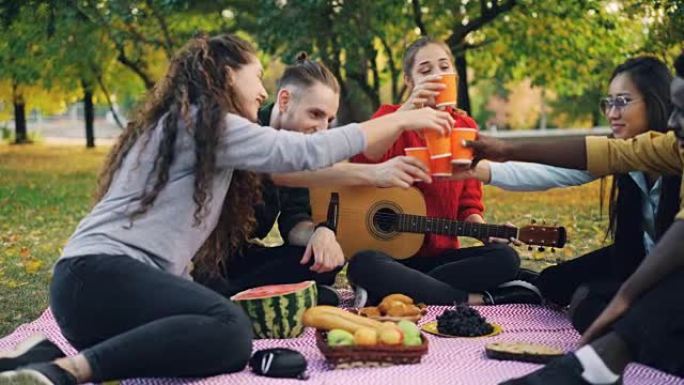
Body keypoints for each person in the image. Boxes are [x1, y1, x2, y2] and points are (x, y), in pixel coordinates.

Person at [0, 34, 454, 385]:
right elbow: (295, 155)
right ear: (224, 73)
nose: (261, 91)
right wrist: (401, 119)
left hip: (97, 300)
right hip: (98, 278)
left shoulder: (193, 127)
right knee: (230, 329)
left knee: (219, 323)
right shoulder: (204, 120)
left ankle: (42, 358)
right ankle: (67, 374)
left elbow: (294, 168)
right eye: (255, 76)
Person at [468, 52, 684, 385]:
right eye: (607, 103)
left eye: (623, 102)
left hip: (668, 281)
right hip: (642, 271)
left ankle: (605, 360)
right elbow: (589, 157)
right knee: (574, 294)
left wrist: (626, 298)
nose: (612, 113)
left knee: (610, 307)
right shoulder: (662, 148)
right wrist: (498, 155)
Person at [193, 54, 432, 306]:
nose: (321, 128)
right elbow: (280, 172)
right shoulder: (248, 129)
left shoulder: (304, 153)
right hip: (208, 263)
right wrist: (376, 165)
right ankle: (248, 299)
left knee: (323, 263)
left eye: (328, 120)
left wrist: (321, 233)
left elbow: (294, 219)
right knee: (316, 290)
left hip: (245, 256)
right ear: (284, 100)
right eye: (315, 114)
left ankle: (284, 296)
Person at [346, 37, 538, 307]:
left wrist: (485, 232)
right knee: (362, 263)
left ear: (455, 76)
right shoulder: (390, 117)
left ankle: (404, 289)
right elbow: (363, 160)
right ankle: (469, 298)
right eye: (425, 71)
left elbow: (468, 205)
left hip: (442, 259)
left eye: (444, 67)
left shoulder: (464, 126)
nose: (437, 75)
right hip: (390, 257)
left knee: (505, 258)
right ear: (409, 82)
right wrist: (406, 114)